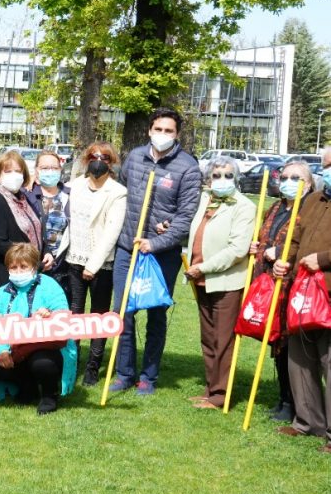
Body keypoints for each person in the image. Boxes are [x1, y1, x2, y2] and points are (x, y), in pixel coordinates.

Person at [109, 107, 201, 395]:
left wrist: (157, 241)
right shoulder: (135, 157)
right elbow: (120, 196)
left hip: (162, 253)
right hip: (128, 246)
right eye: (158, 129)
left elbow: (186, 216)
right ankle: (124, 373)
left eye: (169, 131)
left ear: (177, 135)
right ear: (150, 130)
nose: (162, 135)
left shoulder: (187, 167)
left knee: (156, 313)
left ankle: (148, 376)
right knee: (122, 310)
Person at [184, 158, 256, 409]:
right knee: (208, 337)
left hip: (226, 281)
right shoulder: (206, 201)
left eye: (227, 175)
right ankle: (210, 387)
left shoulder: (244, 206)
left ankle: (220, 395)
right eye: (216, 175)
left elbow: (238, 249)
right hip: (201, 280)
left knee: (223, 339)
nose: (221, 180)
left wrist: (202, 267)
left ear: (235, 178)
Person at [273, 149, 331, 451]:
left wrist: (321, 259)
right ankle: (307, 422)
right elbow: (295, 237)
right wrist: (286, 261)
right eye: (325, 166)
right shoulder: (313, 200)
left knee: (329, 361)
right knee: (300, 358)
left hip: (328, 292)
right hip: (302, 291)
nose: (327, 171)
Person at [249, 160, 314, 422]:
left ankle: (295, 402)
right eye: (284, 176)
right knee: (275, 341)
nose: (288, 182)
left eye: (296, 178)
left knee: (289, 345)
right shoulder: (275, 207)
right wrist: (257, 248)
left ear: (308, 184)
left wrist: (281, 254)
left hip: (295, 286)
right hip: (268, 283)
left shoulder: (309, 209)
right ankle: (283, 397)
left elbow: (306, 244)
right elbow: (266, 238)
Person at [0, 243, 77, 415]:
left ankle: (50, 395)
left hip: (44, 347)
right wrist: (1, 350)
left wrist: (49, 315)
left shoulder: (49, 285)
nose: (18, 271)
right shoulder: (1, 293)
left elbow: (63, 314)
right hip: (15, 349)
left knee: (42, 363)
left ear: (34, 267)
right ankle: (28, 387)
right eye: (13, 267)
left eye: (23, 267)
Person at [67, 142, 127, 386]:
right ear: (86, 159)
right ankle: (72, 360)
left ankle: (93, 365)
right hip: (73, 258)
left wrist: (93, 264)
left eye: (105, 157)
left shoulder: (117, 192)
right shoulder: (74, 186)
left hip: (102, 264)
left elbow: (112, 231)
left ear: (111, 163)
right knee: (74, 313)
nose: (99, 160)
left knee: (98, 316)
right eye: (94, 156)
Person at [0, 150, 41, 300]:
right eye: (8, 171)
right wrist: (29, 257)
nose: (14, 175)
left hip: (25, 270)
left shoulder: (22, 199)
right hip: (4, 273)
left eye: (18, 171)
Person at [26, 150, 71, 297]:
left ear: (60, 170)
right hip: (34, 265)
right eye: (45, 168)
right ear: (36, 171)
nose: (50, 171)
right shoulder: (26, 194)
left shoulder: (70, 195)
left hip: (64, 267)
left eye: (54, 168)